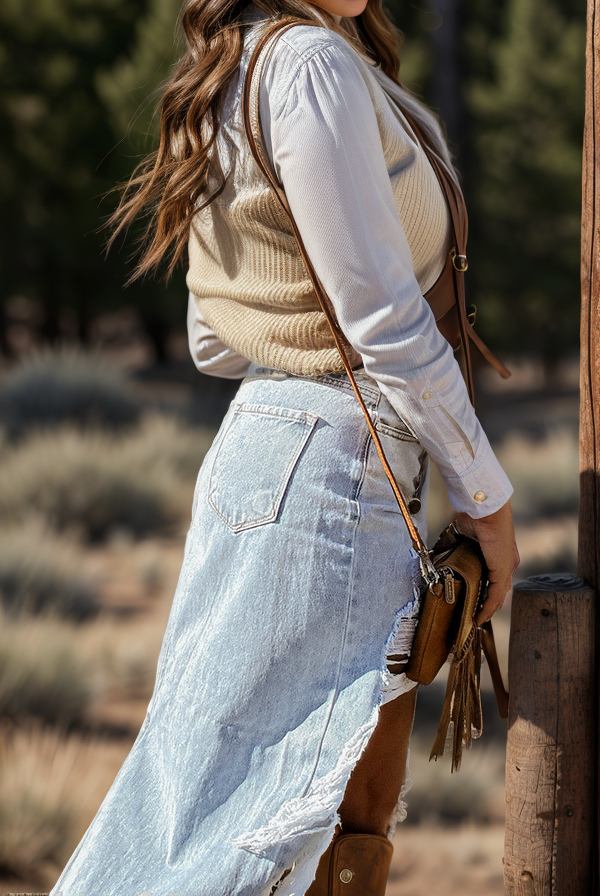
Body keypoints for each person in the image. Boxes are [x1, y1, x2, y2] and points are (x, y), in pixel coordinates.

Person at [49, 0, 520, 894]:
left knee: (213, 812)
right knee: (246, 838)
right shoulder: (310, 65)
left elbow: (211, 336)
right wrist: (488, 501)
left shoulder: (242, 66)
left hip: (271, 445)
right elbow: (385, 319)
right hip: (337, 461)